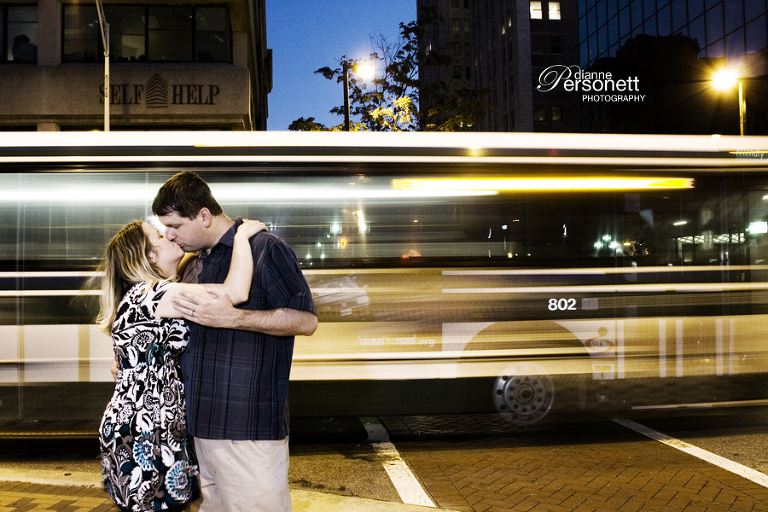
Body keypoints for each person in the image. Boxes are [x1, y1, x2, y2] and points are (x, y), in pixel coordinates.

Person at [151, 171, 318, 512]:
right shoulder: (194, 263)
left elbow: (306, 320)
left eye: (176, 226)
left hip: (247, 424)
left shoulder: (264, 248)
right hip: (201, 423)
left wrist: (235, 318)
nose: (169, 236)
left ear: (203, 216)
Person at [96, 218, 266, 512]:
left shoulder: (141, 295)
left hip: (143, 426)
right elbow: (236, 292)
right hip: (147, 433)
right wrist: (240, 237)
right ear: (150, 256)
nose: (170, 237)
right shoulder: (155, 294)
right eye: (160, 235)